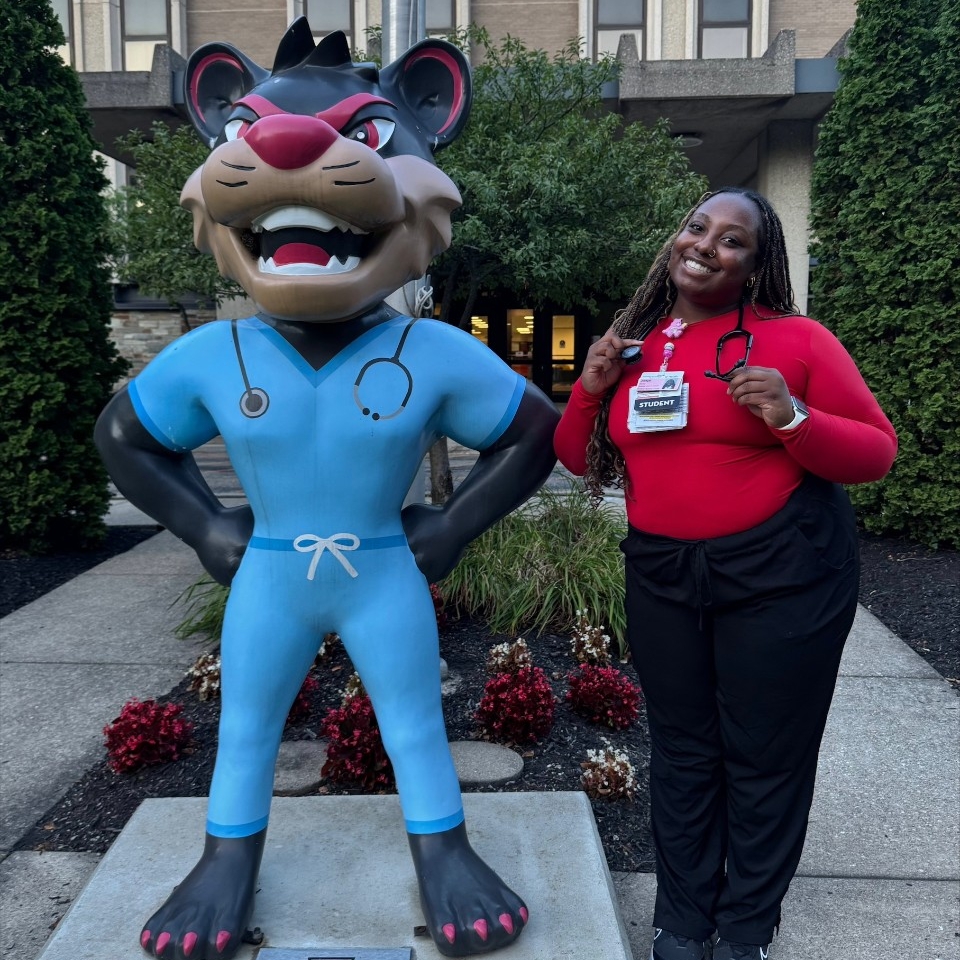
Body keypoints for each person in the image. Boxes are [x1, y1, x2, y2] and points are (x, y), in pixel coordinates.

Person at [554, 187, 897, 960]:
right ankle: (682, 917)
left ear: (755, 264)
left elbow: (877, 451)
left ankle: (745, 925)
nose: (706, 244)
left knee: (765, 752)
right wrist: (591, 385)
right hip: (663, 573)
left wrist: (792, 418)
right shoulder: (639, 345)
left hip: (783, 574)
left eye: (733, 240)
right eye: (697, 226)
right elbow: (576, 455)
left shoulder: (797, 340)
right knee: (681, 748)